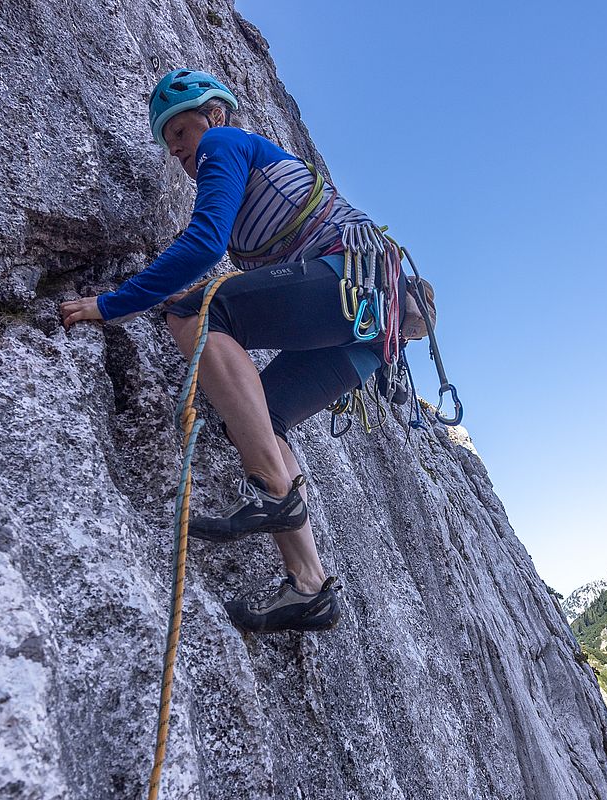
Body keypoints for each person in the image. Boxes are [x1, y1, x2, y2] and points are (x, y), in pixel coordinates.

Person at [60, 70, 431, 633]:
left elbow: (204, 245)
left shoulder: (223, 143)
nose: (181, 148)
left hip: (349, 285)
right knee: (261, 419)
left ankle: (269, 490)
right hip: (370, 333)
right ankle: (309, 584)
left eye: (182, 130)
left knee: (195, 309)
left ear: (215, 116)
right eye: (171, 141)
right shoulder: (239, 176)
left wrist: (111, 305)